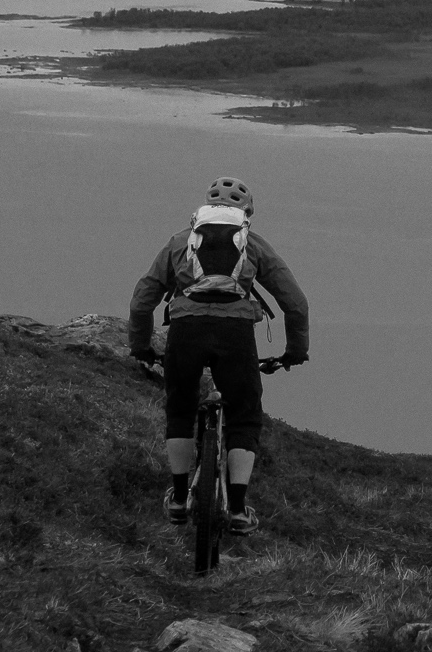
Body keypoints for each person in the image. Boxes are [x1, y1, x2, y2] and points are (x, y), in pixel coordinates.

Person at [128, 175, 309, 535]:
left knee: (180, 409)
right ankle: (239, 509)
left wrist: (141, 346)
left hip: (186, 331)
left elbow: (142, 300)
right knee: (244, 416)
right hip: (235, 336)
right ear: (247, 212)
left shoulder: (180, 242)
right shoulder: (254, 245)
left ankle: (179, 500)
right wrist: (294, 352)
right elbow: (296, 304)